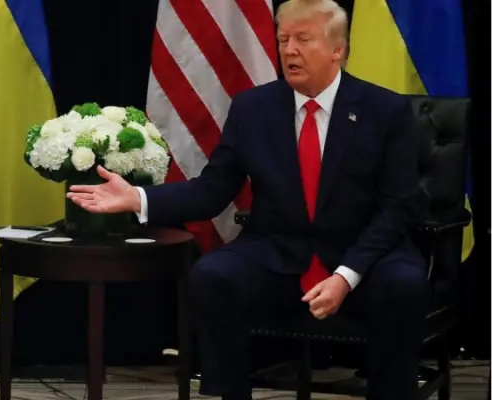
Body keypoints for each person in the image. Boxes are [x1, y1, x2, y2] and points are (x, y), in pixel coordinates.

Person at [66, 0, 427, 399]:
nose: (289, 50)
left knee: (404, 285)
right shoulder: (254, 108)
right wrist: (137, 198)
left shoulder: (385, 111)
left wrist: (345, 276)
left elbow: (396, 209)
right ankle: (230, 393)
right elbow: (211, 190)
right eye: (283, 40)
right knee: (213, 276)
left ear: (337, 50)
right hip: (279, 252)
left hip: (364, 255)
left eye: (303, 39)